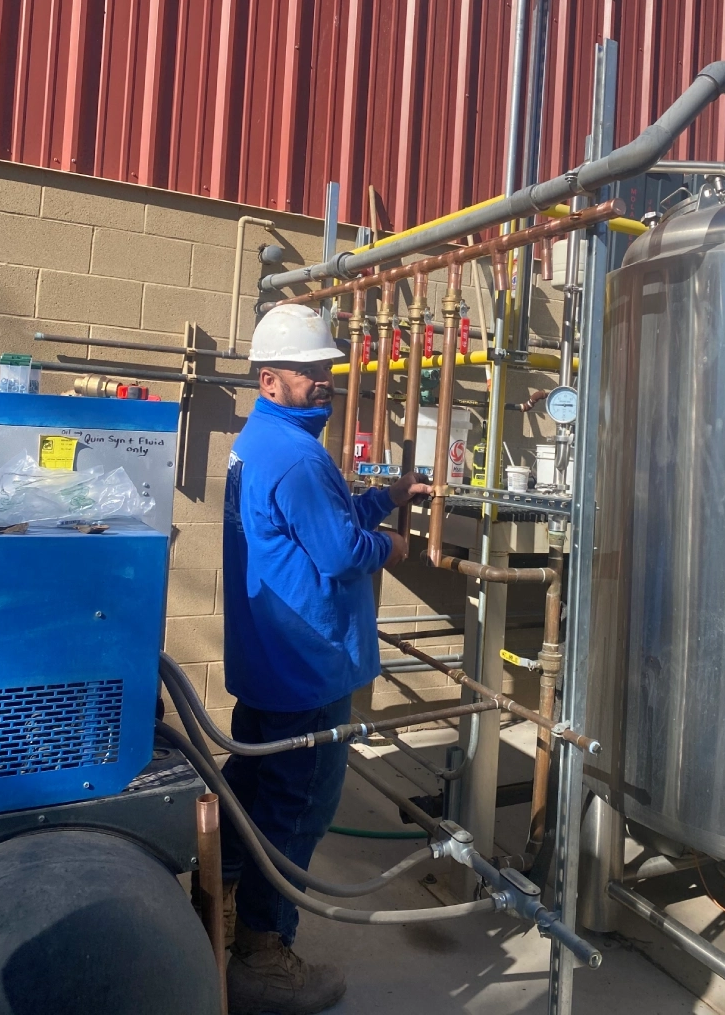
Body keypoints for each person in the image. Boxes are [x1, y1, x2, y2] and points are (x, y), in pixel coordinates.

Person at [220, 303, 430, 1015]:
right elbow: (341, 551)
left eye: (326, 368)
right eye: (308, 371)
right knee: (296, 812)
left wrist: (388, 496)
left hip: (269, 664)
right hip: (308, 666)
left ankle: (213, 898)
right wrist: (394, 545)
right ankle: (261, 956)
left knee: (249, 788)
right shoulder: (298, 455)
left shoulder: (260, 443)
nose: (323, 380)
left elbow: (325, 518)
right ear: (268, 379)